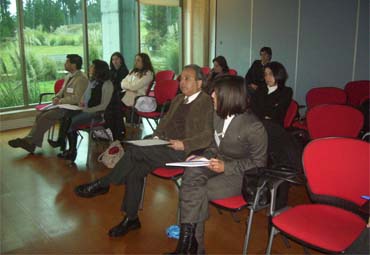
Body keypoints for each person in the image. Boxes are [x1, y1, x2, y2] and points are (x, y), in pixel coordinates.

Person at [73, 64, 214, 238]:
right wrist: (155, 138)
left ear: (199, 83)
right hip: (163, 146)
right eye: (181, 78)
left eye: (187, 79)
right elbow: (163, 124)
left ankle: (103, 184)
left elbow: (207, 136)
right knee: (135, 169)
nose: (182, 83)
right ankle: (131, 218)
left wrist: (184, 144)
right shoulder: (178, 99)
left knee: (133, 152)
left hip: (184, 152)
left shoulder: (205, 101)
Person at [167, 75, 268, 254]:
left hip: (240, 174)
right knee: (190, 175)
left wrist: (226, 167)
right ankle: (189, 245)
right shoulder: (217, 115)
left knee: (195, 192)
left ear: (229, 96)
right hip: (216, 163)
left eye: (216, 92)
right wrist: (203, 157)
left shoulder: (253, 127)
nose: (212, 95)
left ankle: (189, 246)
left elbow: (259, 163)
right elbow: (214, 145)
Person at [8, 54, 88, 153]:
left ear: (73, 64)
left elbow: (77, 98)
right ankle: (31, 144)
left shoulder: (81, 78)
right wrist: (57, 97)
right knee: (40, 115)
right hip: (62, 105)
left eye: (67, 62)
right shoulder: (68, 76)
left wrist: (60, 101)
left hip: (73, 108)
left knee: (46, 116)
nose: (64, 64)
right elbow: (62, 91)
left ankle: (29, 142)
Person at [57, 59, 114, 162]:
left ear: (99, 69)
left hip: (97, 114)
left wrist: (87, 109)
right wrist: (81, 102)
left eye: (92, 67)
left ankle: (71, 150)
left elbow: (104, 106)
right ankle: (69, 148)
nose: (90, 68)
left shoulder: (107, 84)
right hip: (86, 110)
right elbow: (84, 96)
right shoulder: (92, 81)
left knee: (71, 121)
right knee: (65, 117)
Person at [251, 61, 293, 126]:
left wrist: (261, 112)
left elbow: (277, 113)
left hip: (273, 126)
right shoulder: (260, 89)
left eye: (271, 74)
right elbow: (252, 107)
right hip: (257, 123)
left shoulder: (286, 91)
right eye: (265, 74)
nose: (267, 78)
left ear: (279, 74)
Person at [121, 53, 154, 123]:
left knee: (115, 103)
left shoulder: (148, 74)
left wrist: (129, 86)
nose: (135, 62)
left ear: (144, 62)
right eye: (135, 60)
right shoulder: (133, 71)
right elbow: (122, 83)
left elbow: (134, 86)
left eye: (138, 60)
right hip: (129, 94)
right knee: (115, 103)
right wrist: (130, 87)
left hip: (138, 96)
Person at [104, 52, 129, 141]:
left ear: (121, 60)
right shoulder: (111, 72)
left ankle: (114, 130)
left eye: (117, 59)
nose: (115, 61)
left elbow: (121, 86)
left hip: (121, 94)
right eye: (113, 59)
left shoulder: (124, 71)